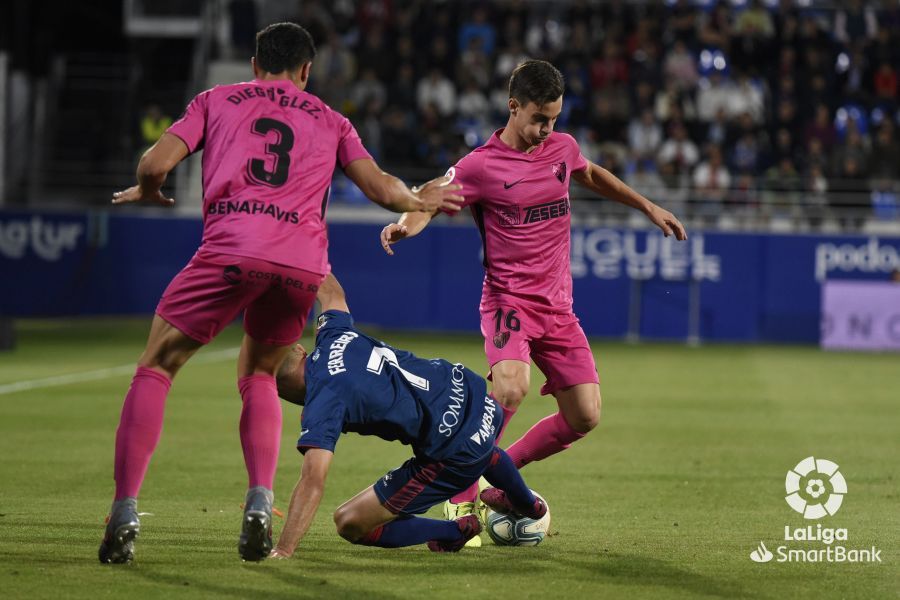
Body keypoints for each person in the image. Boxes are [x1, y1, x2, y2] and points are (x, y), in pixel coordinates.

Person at [98, 23, 463, 565]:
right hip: (300, 265)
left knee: (157, 366)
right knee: (260, 375)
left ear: (255, 64)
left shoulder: (215, 100)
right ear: (307, 70)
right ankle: (259, 502)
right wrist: (421, 199)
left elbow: (153, 164)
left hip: (232, 246)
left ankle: (124, 510)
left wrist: (150, 189)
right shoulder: (332, 119)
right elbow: (381, 188)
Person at [380, 60, 686, 545]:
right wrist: (405, 225)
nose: (547, 129)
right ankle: (459, 491)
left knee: (585, 415)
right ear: (513, 106)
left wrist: (647, 206)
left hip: (558, 308)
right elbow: (431, 199)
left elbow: (591, 174)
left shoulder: (562, 148)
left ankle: (502, 475)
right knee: (510, 388)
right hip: (508, 302)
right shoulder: (481, 165)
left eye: (555, 118)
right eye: (539, 118)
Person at [270, 274, 545, 556]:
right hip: (477, 398)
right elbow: (330, 291)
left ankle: (454, 531)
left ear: (273, 388)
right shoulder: (333, 333)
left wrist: (283, 548)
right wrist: (296, 254)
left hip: (454, 450)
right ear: (300, 349)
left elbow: (313, 479)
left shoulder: (323, 401)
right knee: (477, 444)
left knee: (350, 522)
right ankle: (528, 504)